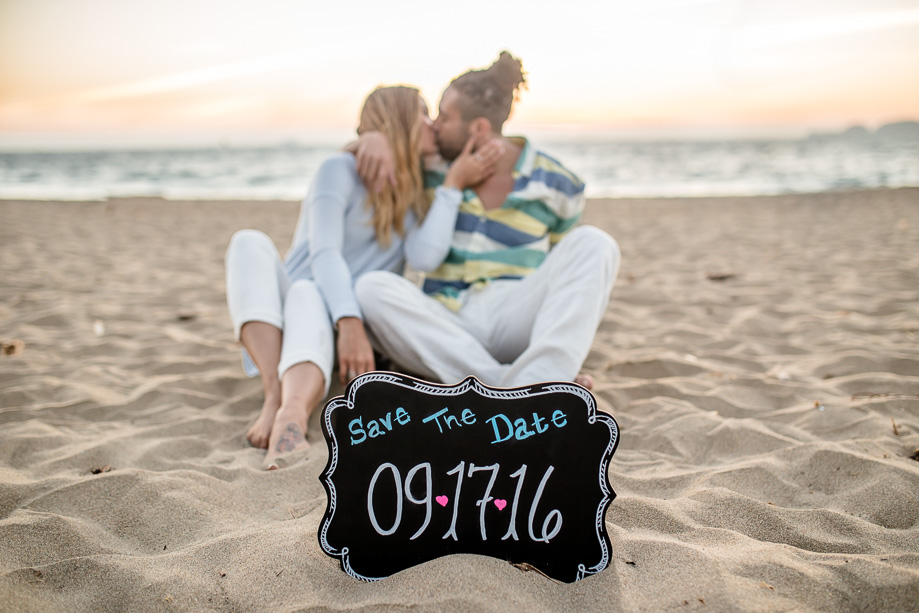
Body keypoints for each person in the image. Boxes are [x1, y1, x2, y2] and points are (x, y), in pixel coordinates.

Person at [224, 85, 499, 469]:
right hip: (291, 324)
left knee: (308, 292)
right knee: (249, 244)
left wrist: (451, 186)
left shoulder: (421, 184)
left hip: (338, 330)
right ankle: (274, 391)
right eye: (424, 113)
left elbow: (424, 255)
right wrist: (348, 319)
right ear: (400, 120)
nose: (434, 124)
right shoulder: (339, 169)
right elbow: (324, 253)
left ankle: (291, 412)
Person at [353, 52, 621, 389]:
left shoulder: (558, 183)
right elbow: (381, 151)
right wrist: (371, 138)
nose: (434, 125)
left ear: (478, 128)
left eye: (444, 117)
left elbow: (561, 270)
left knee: (595, 243)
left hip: (514, 314)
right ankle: (524, 385)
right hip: (446, 324)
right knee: (372, 287)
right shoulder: (431, 170)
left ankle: (541, 376)